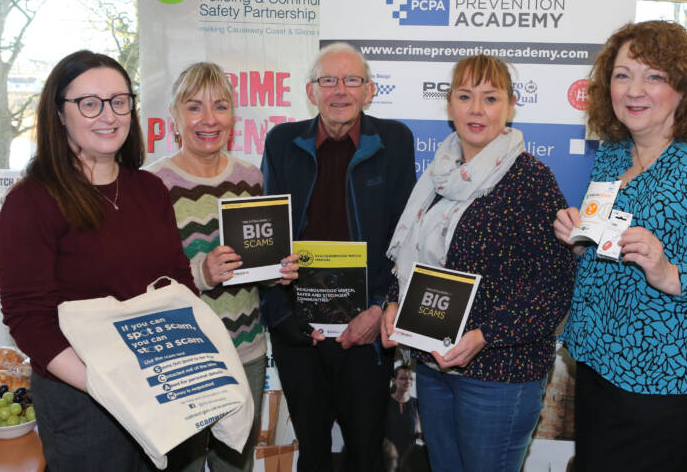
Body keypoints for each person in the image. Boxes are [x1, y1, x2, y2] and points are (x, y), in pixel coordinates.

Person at [554, 20, 687, 471]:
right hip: (600, 359)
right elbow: (612, 245)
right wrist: (580, 241)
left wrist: (673, 274)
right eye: (623, 74)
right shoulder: (613, 152)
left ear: (683, 88)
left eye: (654, 76)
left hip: (679, 373)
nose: (634, 89)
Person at [0, 50, 197, 471]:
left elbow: (178, 283)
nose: (108, 115)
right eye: (89, 103)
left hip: (161, 389)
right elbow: (29, 319)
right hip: (85, 403)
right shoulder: (31, 202)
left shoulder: (150, 189)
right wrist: (106, 385)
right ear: (59, 113)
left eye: (119, 101)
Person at [381, 54, 576, 472]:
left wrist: (485, 336)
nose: (476, 109)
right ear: (449, 103)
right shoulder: (436, 177)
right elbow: (413, 257)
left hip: (499, 373)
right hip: (434, 366)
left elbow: (555, 286)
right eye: (465, 96)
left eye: (489, 98)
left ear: (509, 106)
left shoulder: (531, 181)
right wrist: (393, 302)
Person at [259, 42, 416, 472]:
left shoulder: (395, 140)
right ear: (312, 91)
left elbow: (406, 237)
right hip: (298, 329)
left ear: (369, 91)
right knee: (310, 450)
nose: (340, 91)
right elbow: (268, 238)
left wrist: (379, 309)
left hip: (364, 327)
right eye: (328, 80)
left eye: (352, 80)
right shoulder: (281, 141)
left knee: (365, 451)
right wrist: (279, 316)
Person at [146, 62, 299, 472]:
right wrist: (200, 273)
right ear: (175, 117)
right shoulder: (152, 185)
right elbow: (137, 281)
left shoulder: (250, 176)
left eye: (220, 106)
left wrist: (277, 272)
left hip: (246, 350)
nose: (209, 119)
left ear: (233, 116)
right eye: (194, 107)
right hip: (182, 358)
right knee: (184, 466)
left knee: (236, 465)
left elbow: (257, 262)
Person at [384, 365, 420, 468]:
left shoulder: (416, 403)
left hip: (409, 459)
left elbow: (417, 430)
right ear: (393, 380)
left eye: (410, 378)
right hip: (388, 458)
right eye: (403, 378)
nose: (408, 381)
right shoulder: (384, 402)